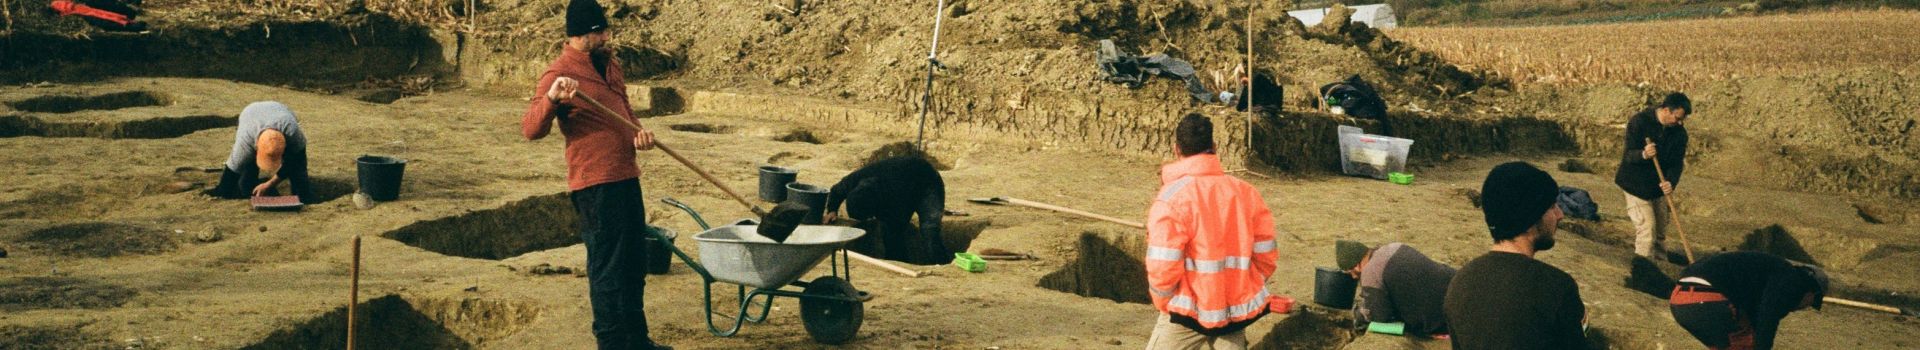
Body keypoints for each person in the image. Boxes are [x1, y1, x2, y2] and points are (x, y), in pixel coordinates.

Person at [519, 0, 666, 348]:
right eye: (598, 33)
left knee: (634, 264)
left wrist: (639, 134)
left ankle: (637, 340)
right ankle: (611, 343)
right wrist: (552, 99)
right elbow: (530, 129)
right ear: (579, 35)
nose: (605, 37)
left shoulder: (610, 64)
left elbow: (624, 108)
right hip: (595, 185)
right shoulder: (559, 74)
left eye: (605, 30)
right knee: (607, 269)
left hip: (626, 175)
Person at [1143, 113, 1279, 350]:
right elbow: (1266, 254)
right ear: (1214, 147)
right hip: (1234, 312)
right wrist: (1244, 288)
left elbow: (1162, 266)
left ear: (1177, 150)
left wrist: (1165, 302)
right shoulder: (1245, 192)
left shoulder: (1171, 198)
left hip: (1187, 313)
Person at [1444, 162, 1586, 350]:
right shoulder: (1556, 288)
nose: (1560, 214)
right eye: (1552, 207)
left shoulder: (1460, 282)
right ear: (1530, 218)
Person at [1669, 251, 1828, 350]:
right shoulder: (1790, 279)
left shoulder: (1766, 273)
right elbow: (1768, 317)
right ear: (1811, 292)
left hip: (1679, 299)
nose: (1803, 308)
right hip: (1707, 297)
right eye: (1811, 303)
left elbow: (1755, 318)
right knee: (1747, 345)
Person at [822, 156, 947, 265]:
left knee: (929, 232)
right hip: (903, 179)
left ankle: (943, 266)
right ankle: (900, 266)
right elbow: (836, 191)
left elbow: (898, 222)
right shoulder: (855, 180)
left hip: (928, 182)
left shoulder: (894, 196)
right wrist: (832, 210)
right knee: (890, 233)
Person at [1616, 92, 1691, 262]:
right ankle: (1643, 268)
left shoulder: (1679, 133)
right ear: (1666, 110)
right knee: (1647, 229)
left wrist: (1671, 182)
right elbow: (1628, 155)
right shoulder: (1639, 122)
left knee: (1660, 232)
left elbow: (1676, 163)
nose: (1680, 123)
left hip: (1657, 187)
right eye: (1677, 118)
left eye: (1682, 119)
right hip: (1635, 185)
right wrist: (1643, 154)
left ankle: (1661, 265)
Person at [1341, 241, 1455, 339]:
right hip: (1455, 284)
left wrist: (1359, 314)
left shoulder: (1370, 272)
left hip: (1445, 318)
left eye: (1350, 272)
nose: (1353, 277)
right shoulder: (1394, 247)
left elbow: (1379, 316)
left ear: (1356, 266)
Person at [211, 101, 314, 204]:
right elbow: (230, 175)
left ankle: (304, 199)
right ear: (256, 147)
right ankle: (250, 189)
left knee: (299, 176)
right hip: (250, 113)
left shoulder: (292, 132)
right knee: (246, 180)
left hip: (279, 110)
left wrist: (270, 184)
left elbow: (296, 160)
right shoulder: (245, 144)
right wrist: (223, 194)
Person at [48, 0, 147, 32]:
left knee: (102, 13)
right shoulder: (55, 4)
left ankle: (129, 21)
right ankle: (129, 26)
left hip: (82, 7)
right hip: (77, 11)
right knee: (99, 17)